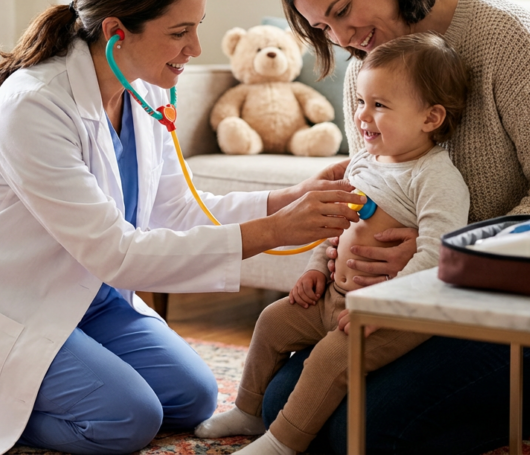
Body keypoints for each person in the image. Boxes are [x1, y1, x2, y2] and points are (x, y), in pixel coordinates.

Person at [0, 0, 365, 455]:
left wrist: (288, 199)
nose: (196, 49)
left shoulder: (145, 88)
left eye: (198, 27)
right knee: (128, 419)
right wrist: (273, 231)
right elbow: (116, 252)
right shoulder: (34, 106)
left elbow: (175, 210)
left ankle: (70, 370)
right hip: (10, 300)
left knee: (194, 397)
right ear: (116, 31)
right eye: (179, 31)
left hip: (92, 299)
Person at [257, 0, 530, 454]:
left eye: (343, 10)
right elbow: (371, 190)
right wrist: (332, 263)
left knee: (362, 432)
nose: (343, 36)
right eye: (323, 27)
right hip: (404, 307)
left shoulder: (507, 38)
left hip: (516, 308)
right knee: (281, 407)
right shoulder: (367, 68)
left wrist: (442, 257)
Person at [195, 33, 471, 454]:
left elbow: (439, 255)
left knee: (329, 359)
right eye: (362, 101)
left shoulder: (435, 178)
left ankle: (282, 444)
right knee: (271, 320)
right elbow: (332, 227)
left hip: (391, 315)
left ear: (431, 118)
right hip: (333, 296)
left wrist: (385, 305)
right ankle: (249, 411)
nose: (363, 116)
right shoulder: (362, 161)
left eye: (380, 105)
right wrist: (312, 270)